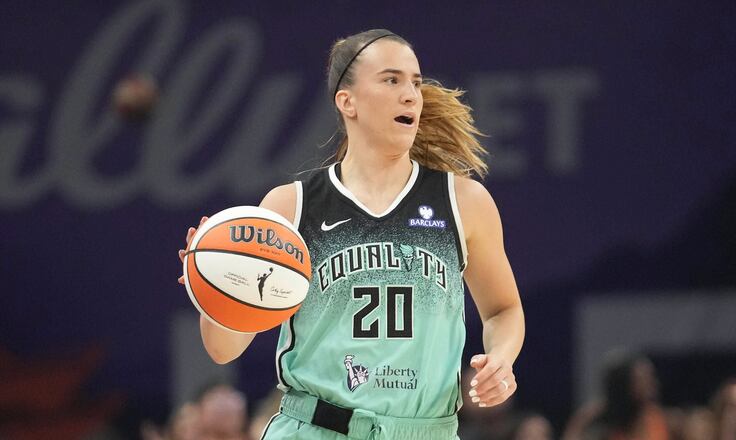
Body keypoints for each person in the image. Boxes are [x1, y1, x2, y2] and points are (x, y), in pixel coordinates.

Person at [178, 28, 524, 440]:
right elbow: (223, 349)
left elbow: (504, 310)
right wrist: (214, 284)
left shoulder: (463, 200)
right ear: (348, 102)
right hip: (315, 429)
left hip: (425, 431)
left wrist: (502, 357)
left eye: (415, 81)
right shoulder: (291, 206)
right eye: (391, 80)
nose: (412, 94)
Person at [562, 352, 668, 440]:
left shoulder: (662, 421)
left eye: (650, 378)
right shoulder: (599, 426)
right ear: (624, 385)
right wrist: (583, 419)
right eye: (642, 380)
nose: (652, 385)